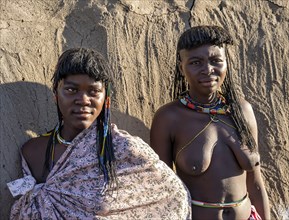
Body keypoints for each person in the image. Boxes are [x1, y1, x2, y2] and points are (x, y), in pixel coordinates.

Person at [7, 48, 191, 219]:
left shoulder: (124, 149)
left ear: (106, 98)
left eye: (94, 91)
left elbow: (174, 197)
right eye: (71, 90)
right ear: (56, 94)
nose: (83, 100)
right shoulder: (31, 151)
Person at [150, 26, 270, 220]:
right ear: (182, 67)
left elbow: (256, 183)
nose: (208, 70)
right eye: (196, 62)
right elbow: (161, 190)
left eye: (216, 61)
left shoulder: (242, 111)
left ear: (226, 64)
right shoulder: (169, 118)